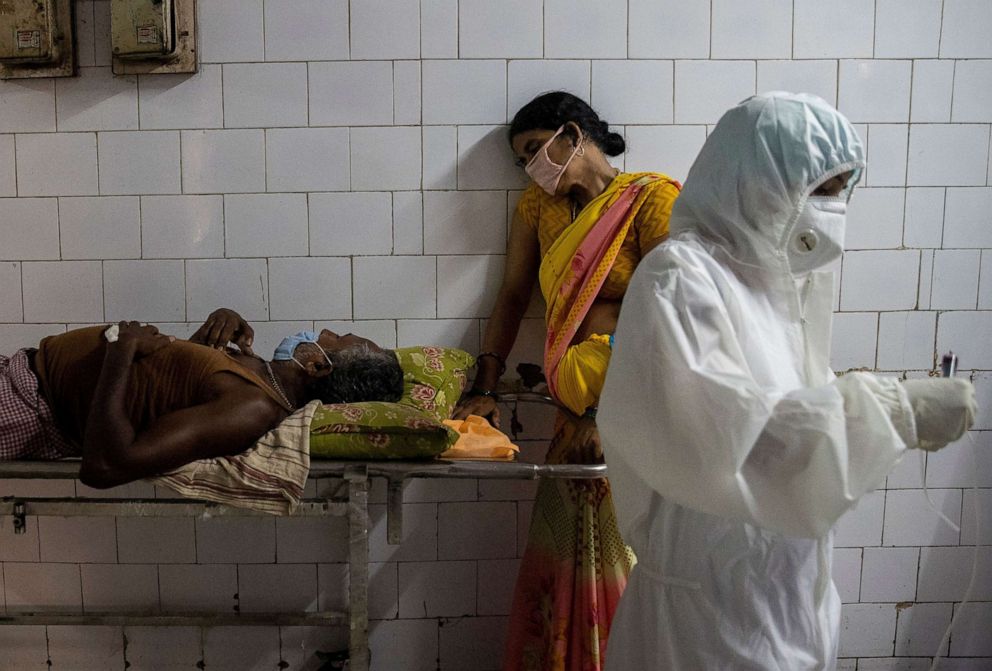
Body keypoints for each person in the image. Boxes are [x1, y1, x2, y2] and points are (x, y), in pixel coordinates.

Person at [596, 92, 977, 670]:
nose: (832, 207)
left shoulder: (781, 293)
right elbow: (734, 441)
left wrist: (869, 405)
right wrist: (895, 412)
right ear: (758, 176)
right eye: (820, 189)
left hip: (789, 599)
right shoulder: (681, 278)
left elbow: (792, 413)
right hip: (705, 623)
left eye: (840, 189)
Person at [452, 91, 682, 670]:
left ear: (573, 135)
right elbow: (511, 295)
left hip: (633, 410)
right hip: (569, 407)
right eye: (522, 161)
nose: (532, 168)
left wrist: (608, 409)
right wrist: (486, 382)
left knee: (622, 552)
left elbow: (677, 310)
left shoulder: (651, 199)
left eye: (536, 150)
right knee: (566, 549)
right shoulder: (538, 208)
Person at [0, 308, 403, 488]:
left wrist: (119, 351)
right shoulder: (256, 372)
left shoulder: (252, 408)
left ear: (317, 367)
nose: (322, 330)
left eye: (329, 339)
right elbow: (163, 393)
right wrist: (209, 333)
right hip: (18, 372)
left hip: (22, 408)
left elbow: (106, 466)